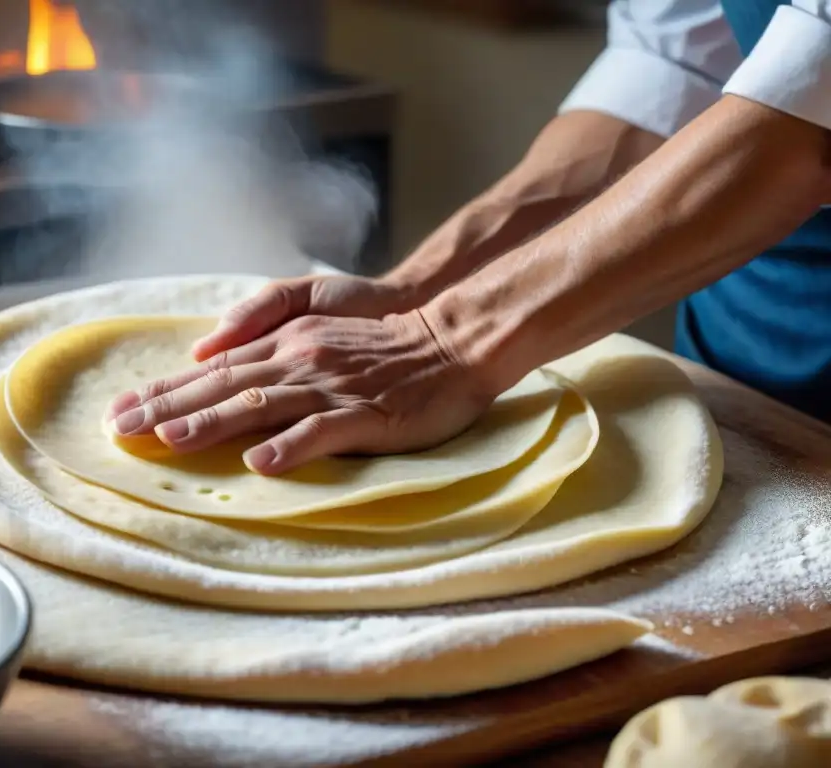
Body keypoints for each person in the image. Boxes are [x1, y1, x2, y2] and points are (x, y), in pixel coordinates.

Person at [108, 0, 831, 475]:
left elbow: (801, 132)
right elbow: (677, 66)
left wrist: (446, 340)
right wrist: (415, 290)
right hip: (746, 356)